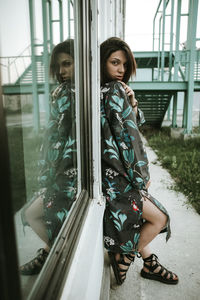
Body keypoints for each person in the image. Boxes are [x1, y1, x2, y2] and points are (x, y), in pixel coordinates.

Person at [100, 37, 179, 285]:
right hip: (117, 179)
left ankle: (148, 262)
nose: (121, 70)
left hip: (110, 174)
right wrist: (141, 176)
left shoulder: (108, 91)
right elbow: (128, 139)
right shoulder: (112, 91)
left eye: (124, 65)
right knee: (160, 218)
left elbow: (128, 127)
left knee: (145, 214)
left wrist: (132, 103)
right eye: (115, 62)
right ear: (101, 63)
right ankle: (125, 256)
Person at [19, 39, 77, 275]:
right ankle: (50, 251)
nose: (62, 71)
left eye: (67, 64)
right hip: (60, 172)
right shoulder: (64, 92)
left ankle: (55, 253)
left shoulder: (69, 92)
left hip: (68, 175)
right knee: (35, 213)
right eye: (58, 66)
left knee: (31, 214)